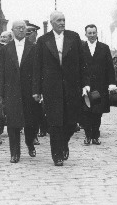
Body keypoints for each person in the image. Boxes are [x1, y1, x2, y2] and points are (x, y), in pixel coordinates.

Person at [32, 11, 89, 166]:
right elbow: (37, 67)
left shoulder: (74, 37)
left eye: (64, 20)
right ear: (52, 22)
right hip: (51, 87)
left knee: (71, 122)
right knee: (55, 122)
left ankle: (64, 143)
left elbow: (82, 62)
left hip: (72, 86)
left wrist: (85, 84)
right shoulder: (43, 40)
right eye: (59, 20)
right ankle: (56, 154)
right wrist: (36, 90)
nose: (62, 23)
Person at [0, 20, 37, 163]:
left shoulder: (33, 48)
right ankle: (15, 152)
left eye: (23, 28)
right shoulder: (6, 50)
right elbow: (0, 73)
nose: (21, 30)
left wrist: (37, 91)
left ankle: (30, 143)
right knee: (13, 123)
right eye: (18, 28)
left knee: (30, 121)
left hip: (29, 91)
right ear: (12, 30)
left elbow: (37, 72)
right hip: (11, 91)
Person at [81, 24, 117, 145]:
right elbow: (76, 67)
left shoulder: (104, 48)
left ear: (97, 34)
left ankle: (95, 135)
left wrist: (112, 83)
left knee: (97, 112)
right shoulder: (80, 47)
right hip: (85, 85)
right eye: (89, 33)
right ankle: (87, 135)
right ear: (85, 34)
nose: (92, 35)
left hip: (100, 85)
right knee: (86, 112)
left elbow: (109, 68)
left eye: (94, 33)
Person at [25, 20, 45, 142]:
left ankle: (35, 134)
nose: (27, 36)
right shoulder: (22, 48)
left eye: (29, 33)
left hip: (37, 84)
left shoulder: (40, 47)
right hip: (25, 83)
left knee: (36, 110)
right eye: (26, 33)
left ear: (35, 34)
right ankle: (30, 134)